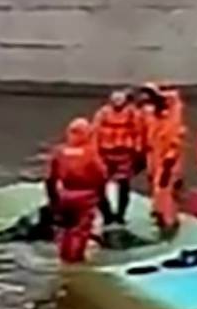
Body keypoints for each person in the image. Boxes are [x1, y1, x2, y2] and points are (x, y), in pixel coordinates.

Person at [45, 117, 107, 264]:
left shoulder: (59, 152)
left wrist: (53, 199)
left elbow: (49, 178)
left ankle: (64, 257)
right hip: (86, 196)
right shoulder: (90, 153)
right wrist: (100, 196)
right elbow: (102, 175)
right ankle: (75, 260)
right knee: (80, 231)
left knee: (65, 230)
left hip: (64, 195)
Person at [138, 82, 186, 239]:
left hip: (167, 161)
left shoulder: (171, 116)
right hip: (155, 158)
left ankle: (169, 222)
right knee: (158, 189)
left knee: (166, 191)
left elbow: (175, 142)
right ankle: (161, 215)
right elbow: (145, 134)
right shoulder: (151, 114)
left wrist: (169, 161)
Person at [92, 87, 144, 226]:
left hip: (125, 154)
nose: (117, 103)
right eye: (115, 100)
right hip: (105, 154)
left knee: (124, 185)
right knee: (98, 185)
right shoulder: (102, 113)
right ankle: (107, 214)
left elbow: (138, 133)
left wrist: (138, 153)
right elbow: (95, 133)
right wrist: (94, 152)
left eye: (120, 100)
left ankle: (121, 215)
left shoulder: (133, 114)